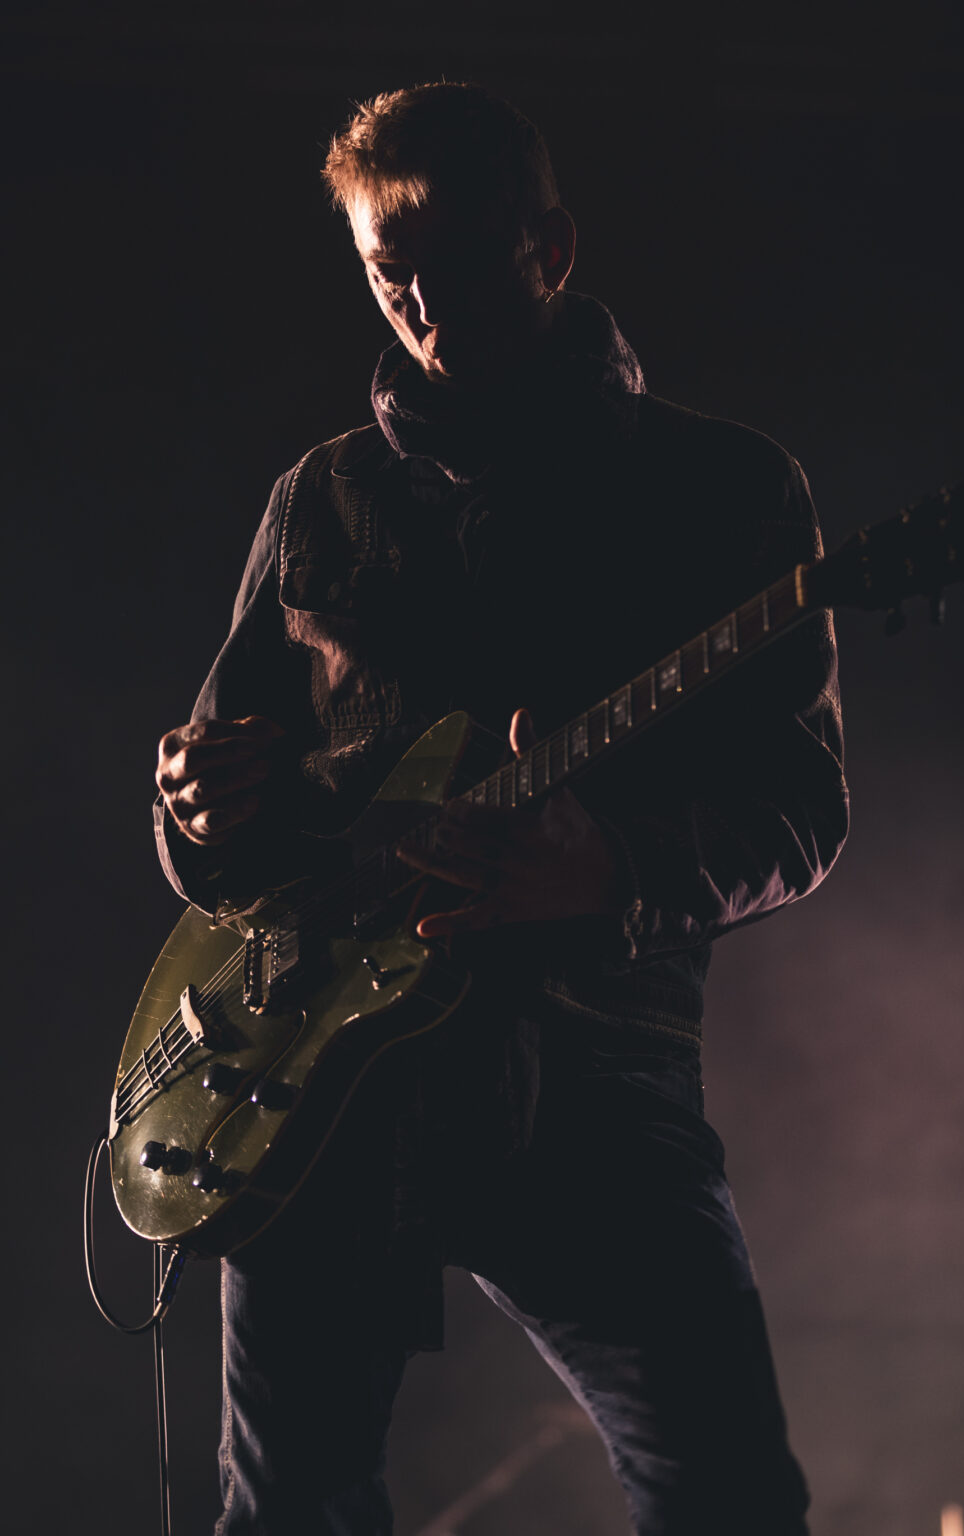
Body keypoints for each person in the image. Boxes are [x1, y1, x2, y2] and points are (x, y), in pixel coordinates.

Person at [154, 83, 848, 1536]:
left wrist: (612, 870)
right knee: (286, 1512)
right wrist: (197, 811)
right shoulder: (321, 499)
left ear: (553, 244)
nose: (416, 303)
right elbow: (228, 816)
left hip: (589, 1071)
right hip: (321, 1081)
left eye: (454, 261)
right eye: (381, 272)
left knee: (724, 1497)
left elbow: (798, 810)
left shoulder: (725, 492)